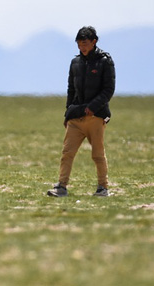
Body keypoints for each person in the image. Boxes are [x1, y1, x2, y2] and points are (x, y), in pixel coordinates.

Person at [47, 26, 115, 198]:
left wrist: (91, 108)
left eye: (84, 43)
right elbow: (71, 89)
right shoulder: (75, 62)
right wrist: (67, 113)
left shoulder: (104, 61)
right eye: (78, 44)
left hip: (96, 117)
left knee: (98, 154)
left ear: (94, 42)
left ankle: (103, 187)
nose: (81, 47)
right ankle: (61, 187)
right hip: (76, 117)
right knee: (67, 153)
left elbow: (108, 90)